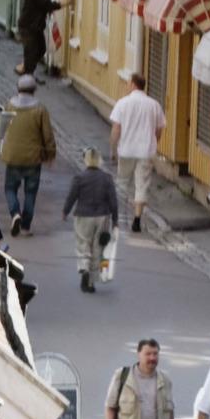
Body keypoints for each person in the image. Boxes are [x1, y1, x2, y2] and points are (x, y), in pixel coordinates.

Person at [0, 74, 58, 237]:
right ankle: (25, 226)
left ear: (18, 89)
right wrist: (50, 155)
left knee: (10, 188)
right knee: (30, 192)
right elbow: (47, 135)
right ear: (34, 90)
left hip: (13, 156)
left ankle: (15, 213)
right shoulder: (40, 109)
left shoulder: (9, 106)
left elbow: (2, 127)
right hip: (33, 158)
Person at [109, 71, 167, 232]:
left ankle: (117, 217)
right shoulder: (154, 105)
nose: (127, 86)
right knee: (142, 185)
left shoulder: (122, 103)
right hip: (145, 151)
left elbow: (116, 129)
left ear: (134, 84)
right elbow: (159, 129)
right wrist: (154, 142)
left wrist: (113, 149)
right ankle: (136, 218)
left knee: (122, 182)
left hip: (126, 149)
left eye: (128, 83)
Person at [66, 149, 121, 293]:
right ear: (99, 160)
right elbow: (113, 201)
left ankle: (84, 267)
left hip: (83, 215)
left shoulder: (79, 178)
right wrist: (115, 220)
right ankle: (90, 282)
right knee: (98, 248)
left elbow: (72, 196)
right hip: (102, 216)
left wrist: (65, 211)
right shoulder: (107, 178)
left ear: (86, 160)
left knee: (83, 243)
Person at [19, 0, 61, 77]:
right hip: (28, 27)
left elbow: (44, 6)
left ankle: (26, 69)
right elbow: (48, 5)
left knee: (40, 48)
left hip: (35, 27)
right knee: (32, 51)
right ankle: (27, 77)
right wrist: (66, 3)